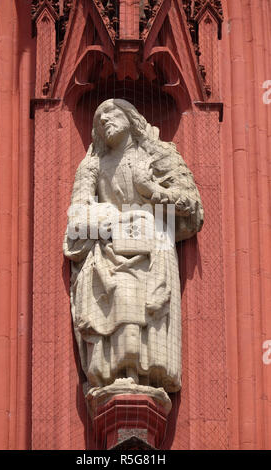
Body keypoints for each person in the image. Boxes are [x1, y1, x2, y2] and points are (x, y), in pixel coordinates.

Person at [63, 99, 203, 394]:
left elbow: (192, 207)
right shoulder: (92, 165)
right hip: (109, 248)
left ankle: (148, 377)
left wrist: (151, 191)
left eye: (111, 112)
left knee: (144, 308)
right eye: (98, 116)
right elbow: (76, 215)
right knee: (120, 304)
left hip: (152, 250)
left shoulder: (158, 154)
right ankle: (115, 377)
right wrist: (109, 218)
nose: (104, 120)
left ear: (131, 116)